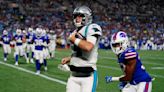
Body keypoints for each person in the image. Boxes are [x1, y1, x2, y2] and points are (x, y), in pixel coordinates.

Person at [59, 6, 102, 92]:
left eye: (80, 16)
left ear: (87, 17)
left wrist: (74, 39)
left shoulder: (92, 27)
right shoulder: (75, 32)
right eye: (75, 16)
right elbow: (78, 52)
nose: (77, 19)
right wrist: (70, 58)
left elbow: (88, 47)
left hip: (88, 77)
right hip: (73, 76)